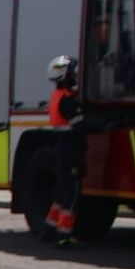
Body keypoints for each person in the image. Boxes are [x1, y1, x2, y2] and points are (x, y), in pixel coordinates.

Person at [45, 55, 85, 248]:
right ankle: (63, 236)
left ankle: (49, 229)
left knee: (62, 192)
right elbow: (82, 126)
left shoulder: (57, 97)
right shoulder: (67, 101)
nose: (76, 76)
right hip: (71, 150)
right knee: (71, 194)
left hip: (62, 147)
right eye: (73, 73)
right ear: (64, 75)